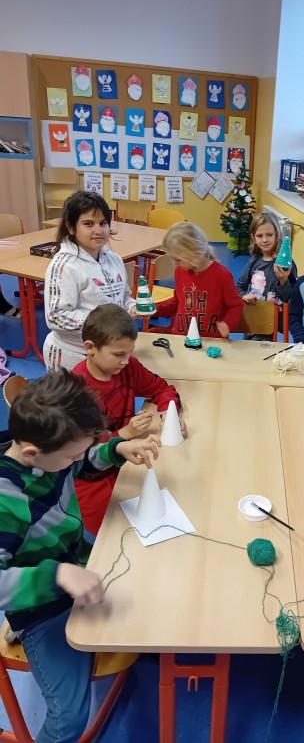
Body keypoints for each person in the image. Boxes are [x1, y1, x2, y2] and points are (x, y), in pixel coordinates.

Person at [0, 370, 160, 743]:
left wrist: (115, 449)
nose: (76, 459)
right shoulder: (7, 504)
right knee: (69, 719)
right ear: (32, 454)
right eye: (71, 454)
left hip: (77, 566)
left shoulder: (48, 452)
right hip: (40, 610)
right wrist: (57, 575)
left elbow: (79, 461)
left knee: (153, 581)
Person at [73, 304, 187, 534]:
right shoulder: (75, 389)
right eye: (118, 354)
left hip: (128, 458)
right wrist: (125, 434)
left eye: (130, 352)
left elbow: (162, 388)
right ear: (90, 348)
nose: (126, 360)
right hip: (93, 475)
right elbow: (79, 456)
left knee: (178, 493)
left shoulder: (128, 367)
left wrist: (168, 414)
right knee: (117, 534)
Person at [43, 191, 138, 371]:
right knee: (75, 392)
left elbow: (124, 296)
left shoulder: (114, 259)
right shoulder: (64, 266)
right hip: (72, 354)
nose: (98, 230)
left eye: (103, 223)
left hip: (108, 352)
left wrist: (132, 306)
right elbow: (55, 317)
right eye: (88, 224)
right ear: (71, 228)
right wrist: (103, 322)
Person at [155, 221, 242, 338]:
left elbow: (235, 306)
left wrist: (227, 324)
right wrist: (153, 309)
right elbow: (178, 301)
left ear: (193, 253)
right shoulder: (180, 271)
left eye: (178, 259)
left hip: (211, 341)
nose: (175, 263)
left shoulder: (222, 275)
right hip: (182, 339)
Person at [236, 211, 297, 340]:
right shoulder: (254, 261)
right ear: (253, 238)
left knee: (260, 348)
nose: (264, 240)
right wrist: (245, 296)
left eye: (269, 235)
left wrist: (283, 281)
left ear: (277, 235)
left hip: (271, 323)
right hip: (253, 317)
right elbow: (238, 287)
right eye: (259, 236)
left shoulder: (286, 264)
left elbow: (291, 298)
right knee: (248, 348)